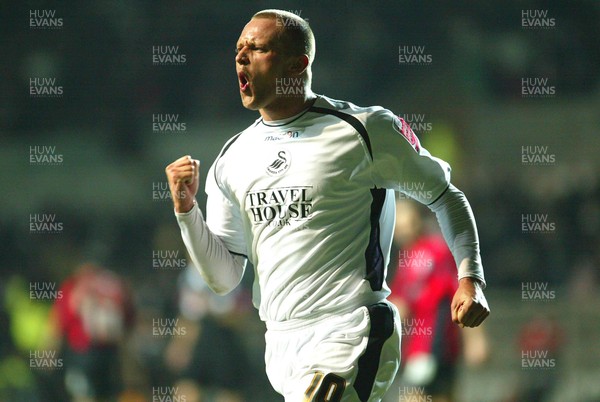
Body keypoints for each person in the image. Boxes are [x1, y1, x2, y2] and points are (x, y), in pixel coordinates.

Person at [165, 9, 490, 402]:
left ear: (296, 63)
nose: (241, 56)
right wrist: (187, 212)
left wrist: (471, 277)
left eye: (258, 47)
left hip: (352, 327)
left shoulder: (364, 130)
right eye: (238, 49)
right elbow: (223, 276)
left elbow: (445, 196)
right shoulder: (232, 159)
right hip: (281, 341)